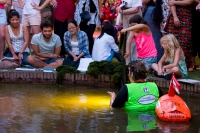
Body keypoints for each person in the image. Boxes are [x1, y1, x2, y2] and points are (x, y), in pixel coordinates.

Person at [165, 0, 194, 71]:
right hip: (174, 15)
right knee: (171, 40)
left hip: (186, 15)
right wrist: (175, 16)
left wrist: (175, 2)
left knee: (185, 40)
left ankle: (185, 64)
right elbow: (171, 3)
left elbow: (189, 2)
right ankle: (171, 63)